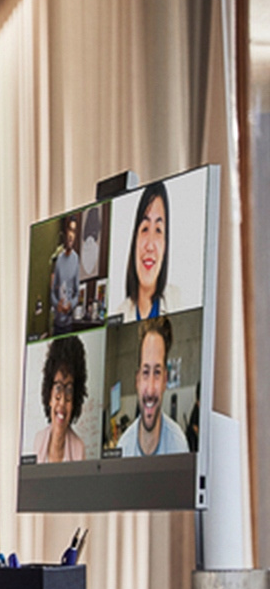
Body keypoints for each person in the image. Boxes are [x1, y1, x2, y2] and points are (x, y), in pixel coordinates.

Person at [117, 316, 188, 457]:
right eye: (145, 372)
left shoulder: (178, 446)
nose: (150, 390)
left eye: (157, 372)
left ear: (165, 381)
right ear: (137, 380)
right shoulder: (123, 447)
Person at [116, 180, 181, 322]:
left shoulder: (178, 301)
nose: (150, 246)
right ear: (135, 240)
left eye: (158, 230)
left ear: (165, 245)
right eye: (145, 229)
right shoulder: (120, 313)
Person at [33, 335, 88, 463]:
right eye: (58, 388)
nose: (62, 402)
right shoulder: (38, 440)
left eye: (69, 391)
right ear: (49, 396)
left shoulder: (79, 450)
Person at [51, 215, 81, 334]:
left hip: (68, 324)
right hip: (56, 323)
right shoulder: (58, 259)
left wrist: (70, 305)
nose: (71, 235)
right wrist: (56, 304)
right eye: (69, 229)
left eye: (74, 231)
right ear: (65, 232)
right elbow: (52, 291)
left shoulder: (76, 259)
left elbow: (77, 293)